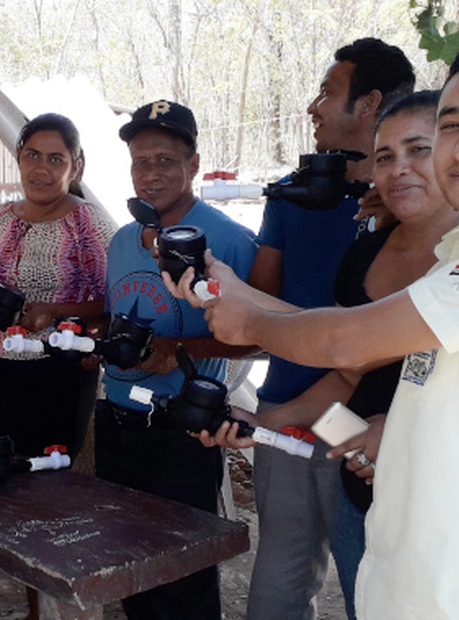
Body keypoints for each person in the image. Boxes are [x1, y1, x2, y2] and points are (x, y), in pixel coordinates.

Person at [164, 55, 459, 620]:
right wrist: (265, 425)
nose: (399, 169)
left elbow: (346, 343)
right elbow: (350, 377)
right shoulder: (371, 253)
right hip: (367, 479)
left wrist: (246, 318)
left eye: (421, 147)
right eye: (384, 157)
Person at [231, 38, 414, 620]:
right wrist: (217, 290)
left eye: (329, 93)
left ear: (371, 102)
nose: (313, 106)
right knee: (283, 568)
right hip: (292, 403)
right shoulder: (294, 191)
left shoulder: (416, 215)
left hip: (369, 427)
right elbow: (263, 305)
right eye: (387, 159)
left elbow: (353, 347)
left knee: (370, 576)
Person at [96, 99, 257, 619]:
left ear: (193, 165)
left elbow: (259, 336)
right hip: (116, 420)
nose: (151, 174)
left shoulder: (229, 240)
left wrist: (176, 352)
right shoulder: (121, 240)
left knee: (185, 571)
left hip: (183, 430)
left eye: (165, 161)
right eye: (141, 162)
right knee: (129, 563)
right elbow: (112, 314)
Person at [0, 113, 117, 459]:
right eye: (32, 155)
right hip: (1, 368)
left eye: (56, 159)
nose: (41, 169)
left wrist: (54, 312)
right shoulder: (3, 217)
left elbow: (115, 301)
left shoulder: (87, 223)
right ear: (19, 158)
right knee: (7, 467)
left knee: (49, 480)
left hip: (60, 372)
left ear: (76, 168)